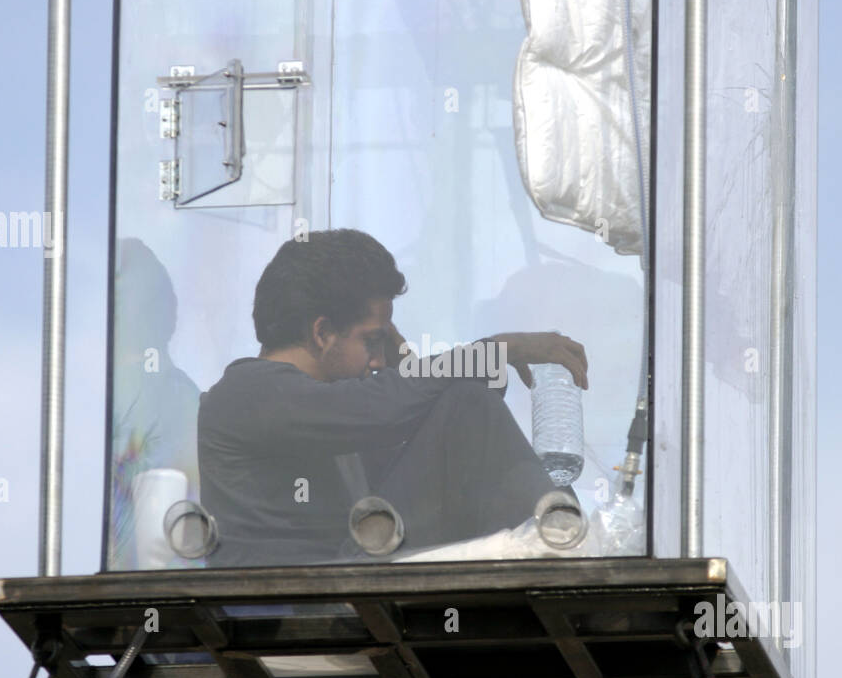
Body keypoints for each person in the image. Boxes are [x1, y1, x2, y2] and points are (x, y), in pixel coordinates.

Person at [197, 228, 588, 567]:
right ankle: (573, 549)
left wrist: (407, 363)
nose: (379, 359)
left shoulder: (335, 419)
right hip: (297, 600)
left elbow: (439, 426)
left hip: (344, 575)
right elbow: (384, 407)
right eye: (372, 340)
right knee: (467, 405)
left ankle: (562, 540)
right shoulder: (245, 393)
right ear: (321, 332)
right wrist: (501, 348)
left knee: (467, 402)